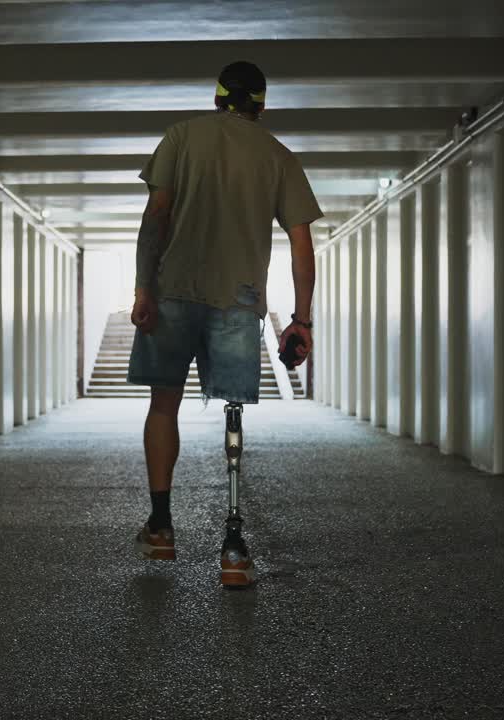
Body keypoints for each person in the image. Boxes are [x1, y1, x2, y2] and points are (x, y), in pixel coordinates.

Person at [127, 60, 322, 585]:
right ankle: (233, 546)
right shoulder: (278, 156)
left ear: (217, 98)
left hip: (172, 293)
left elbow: (156, 217)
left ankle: (162, 527)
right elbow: (302, 245)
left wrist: (145, 287)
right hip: (238, 301)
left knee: (163, 403)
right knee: (233, 410)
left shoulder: (180, 137)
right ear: (260, 104)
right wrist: (301, 319)